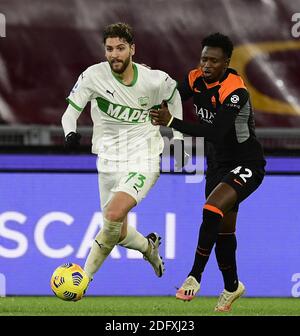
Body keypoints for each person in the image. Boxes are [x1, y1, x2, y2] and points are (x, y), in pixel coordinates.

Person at [61, 23, 185, 289]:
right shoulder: (93, 76)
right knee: (117, 232)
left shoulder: (154, 80)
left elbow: (174, 96)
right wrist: (69, 133)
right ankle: (148, 247)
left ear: (132, 49)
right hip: (108, 160)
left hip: (144, 157)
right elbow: (69, 113)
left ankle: (82, 279)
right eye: (109, 49)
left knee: (114, 214)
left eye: (120, 48)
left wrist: (179, 137)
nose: (114, 54)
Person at [150, 32, 266, 312]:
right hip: (217, 165)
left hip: (247, 162)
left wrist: (172, 122)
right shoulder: (195, 79)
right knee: (224, 231)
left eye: (214, 60)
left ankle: (194, 275)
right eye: (204, 59)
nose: (207, 65)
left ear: (226, 62)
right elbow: (171, 95)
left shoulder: (235, 90)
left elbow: (215, 132)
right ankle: (231, 287)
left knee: (212, 210)